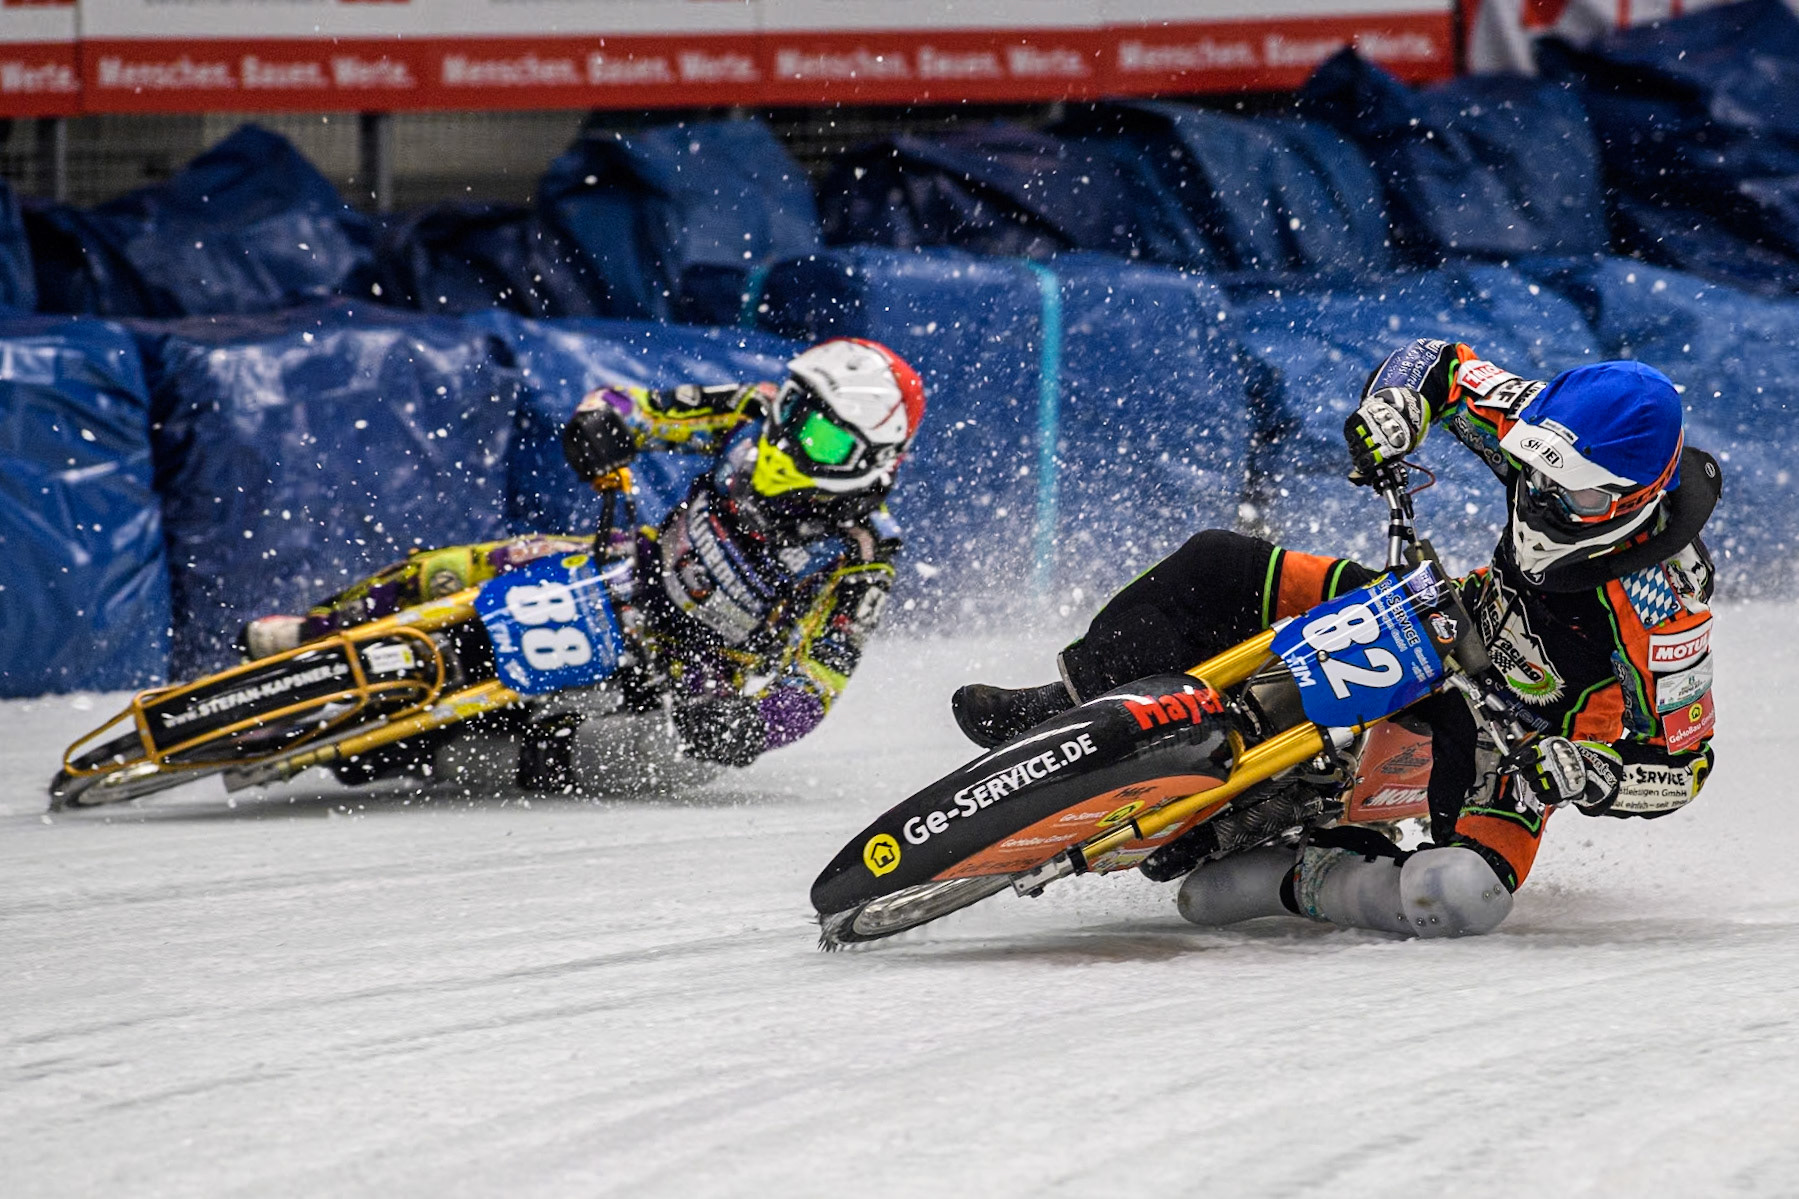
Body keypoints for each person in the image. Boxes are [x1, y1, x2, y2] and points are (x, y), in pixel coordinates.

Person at [953, 340, 1719, 938]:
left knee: (1455, 893)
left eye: (1576, 492)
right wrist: (1392, 408)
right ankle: (1073, 702)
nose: (1545, 498)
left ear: (1640, 500)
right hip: (1450, 612)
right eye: (1536, 470)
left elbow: (1683, 766)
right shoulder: (1532, 423)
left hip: (1520, 732)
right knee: (1217, 562)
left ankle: (1300, 875)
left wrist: (1586, 773)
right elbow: (1437, 363)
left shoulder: (1663, 606)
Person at [242, 337, 925, 780]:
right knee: (471, 561)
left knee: (665, 766)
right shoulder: (754, 410)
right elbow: (635, 405)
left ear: (869, 461)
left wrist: (752, 725)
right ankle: (318, 633)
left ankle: (451, 757)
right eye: (795, 409)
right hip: (630, 568)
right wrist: (599, 422)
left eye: (821, 438)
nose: (788, 436)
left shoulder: (866, 552)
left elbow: (816, 682)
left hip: (698, 671)